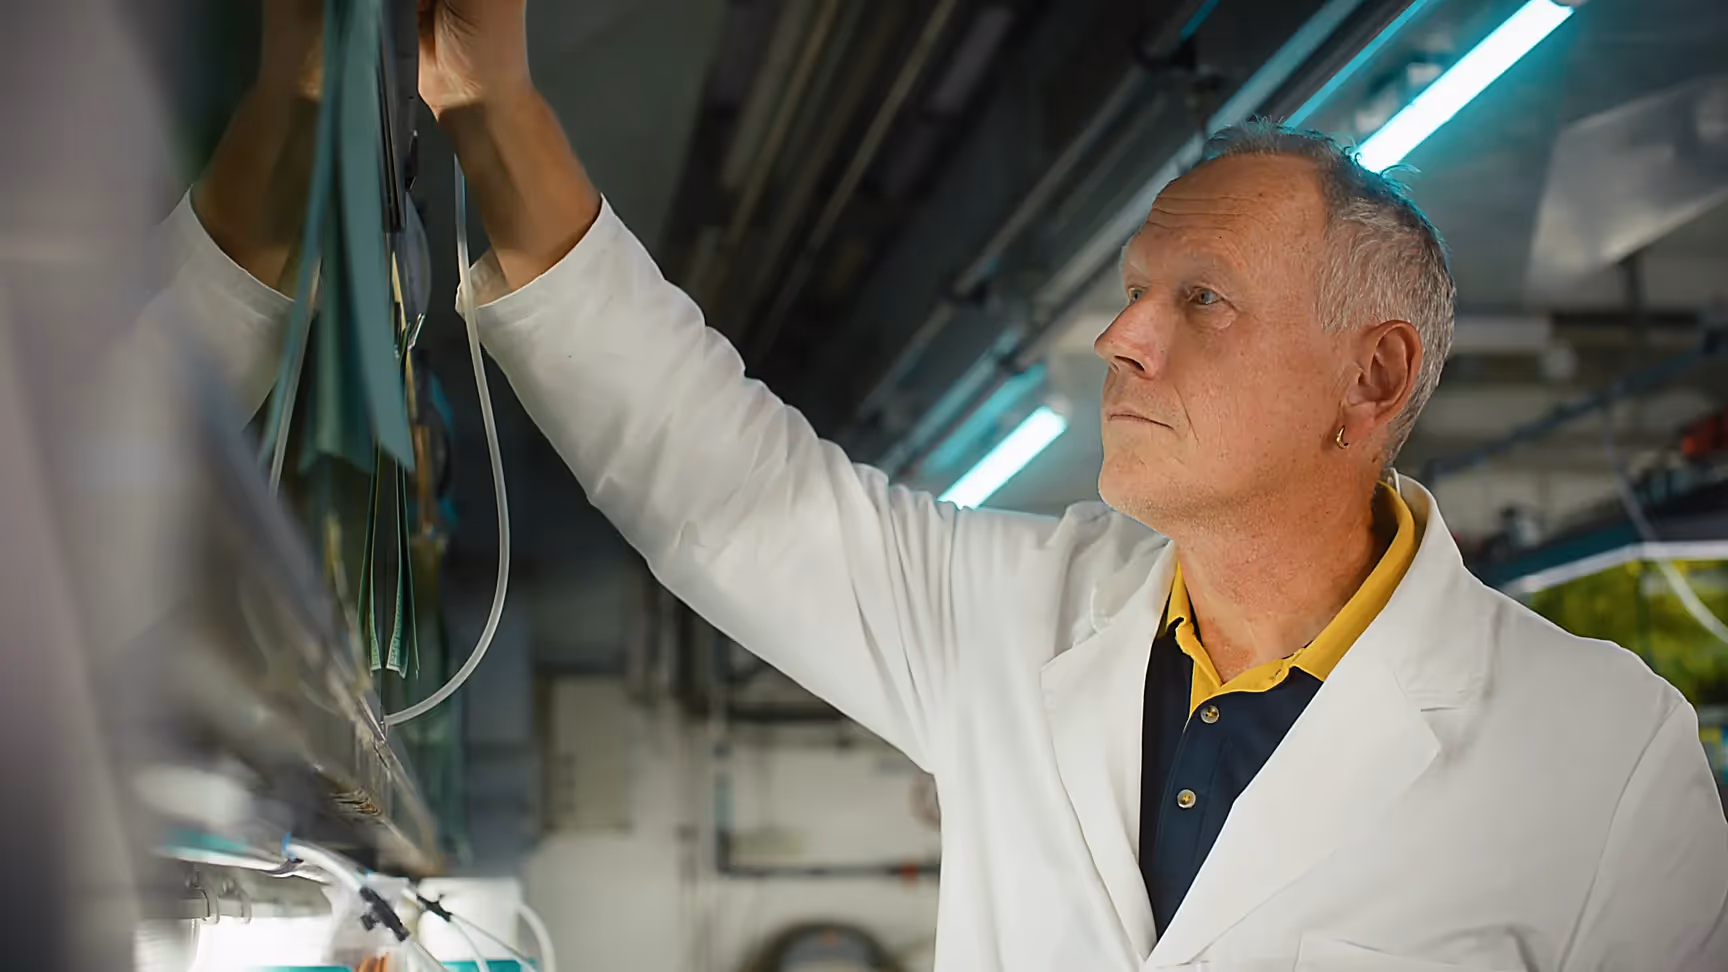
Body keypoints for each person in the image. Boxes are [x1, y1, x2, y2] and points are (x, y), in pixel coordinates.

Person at [166, 1, 1728, 968]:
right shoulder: (1025, 618)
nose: (1119, 335)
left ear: (1373, 381)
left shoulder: (1601, 758)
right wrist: (493, 112)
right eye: (1129, 288)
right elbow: (723, 484)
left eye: (1202, 299)